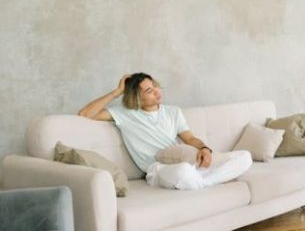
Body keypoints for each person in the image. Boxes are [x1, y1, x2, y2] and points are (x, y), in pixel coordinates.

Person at [78, 73, 252, 190]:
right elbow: (85, 114)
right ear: (137, 97)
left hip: (187, 161)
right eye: (149, 90)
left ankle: (202, 181)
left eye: (155, 86)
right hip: (159, 169)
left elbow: (190, 138)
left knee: (245, 156)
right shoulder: (125, 114)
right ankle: (206, 180)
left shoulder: (173, 111)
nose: (156, 91)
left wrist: (205, 149)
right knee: (184, 171)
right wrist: (117, 92)